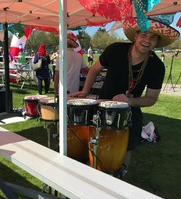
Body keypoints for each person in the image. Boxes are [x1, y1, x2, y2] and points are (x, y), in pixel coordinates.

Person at [70, 17, 179, 176]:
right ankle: (93, 174)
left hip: (130, 112)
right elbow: (93, 70)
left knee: (125, 148)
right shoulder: (115, 49)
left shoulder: (157, 66)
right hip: (102, 107)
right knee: (96, 142)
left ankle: (121, 175)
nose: (147, 40)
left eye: (153, 37)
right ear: (135, 36)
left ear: (157, 42)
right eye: (144, 34)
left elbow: (151, 99)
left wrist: (129, 101)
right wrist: (85, 90)